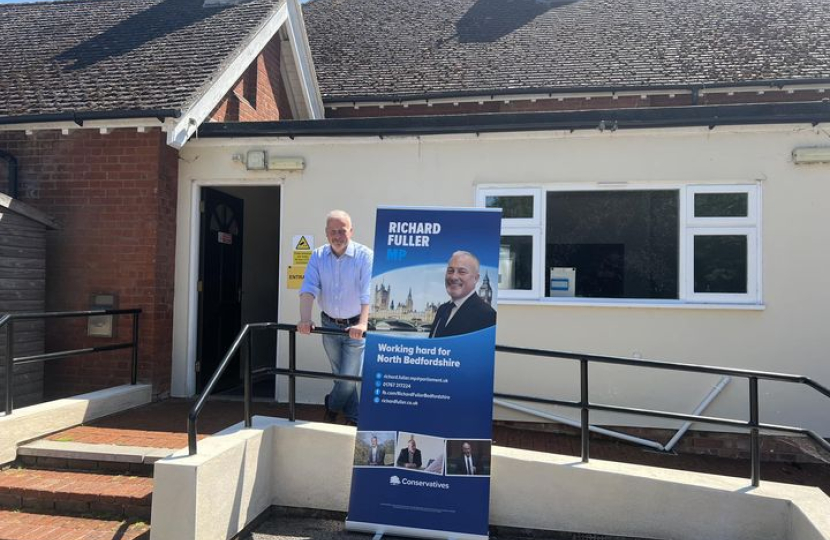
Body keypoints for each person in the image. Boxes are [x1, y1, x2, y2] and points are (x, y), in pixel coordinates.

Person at [298, 210, 373, 426]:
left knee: (348, 380)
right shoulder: (318, 256)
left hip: (355, 328)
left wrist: (362, 323)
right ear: (326, 233)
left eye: (342, 231)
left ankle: (331, 405)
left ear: (351, 231)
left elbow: (367, 292)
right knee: (341, 375)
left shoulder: (365, 256)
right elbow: (309, 288)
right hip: (329, 325)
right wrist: (305, 318)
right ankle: (352, 418)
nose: (337, 236)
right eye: (333, 231)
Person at [429, 251, 496, 338]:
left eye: (462, 272)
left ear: (476, 278)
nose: (453, 277)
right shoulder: (442, 309)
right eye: (450, 271)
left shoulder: (487, 315)